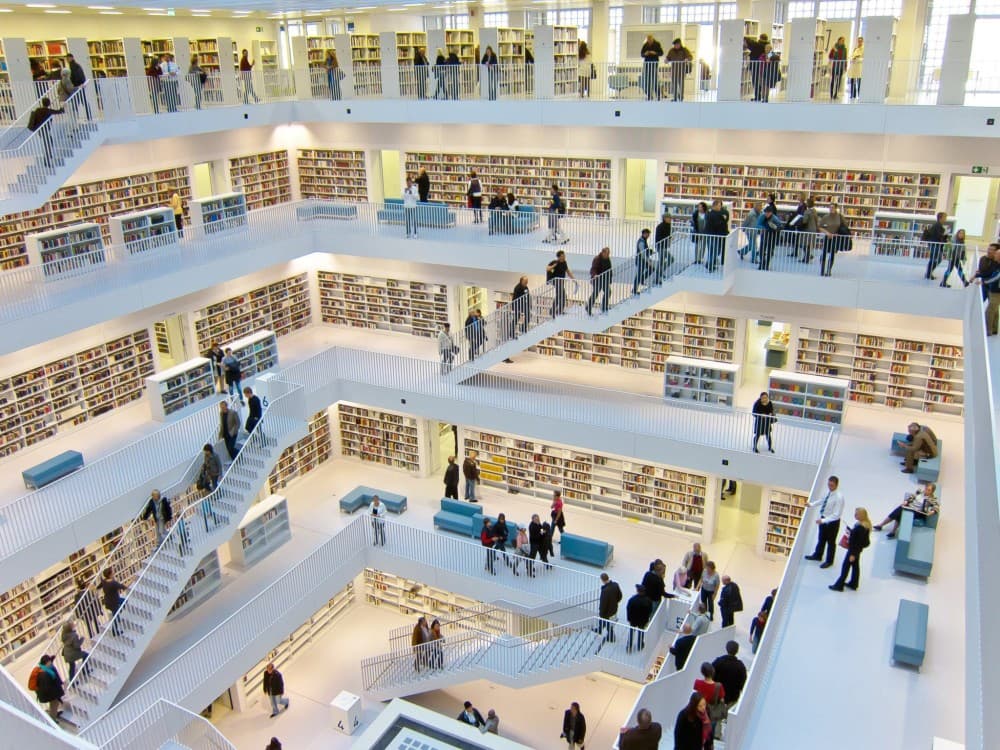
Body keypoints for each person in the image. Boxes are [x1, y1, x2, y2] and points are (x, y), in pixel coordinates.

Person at [805, 475, 844, 568]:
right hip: (824, 519)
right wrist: (811, 504)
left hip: (832, 523)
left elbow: (836, 514)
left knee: (831, 542)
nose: (830, 487)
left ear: (836, 485)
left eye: (832, 485)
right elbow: (822, 500)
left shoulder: (839, 497)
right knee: (821, 539)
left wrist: (823, 520)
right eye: (829, 484)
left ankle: (829, 561)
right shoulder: (828, 492)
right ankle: (818, 555)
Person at [830, 507, 872, 591]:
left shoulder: (860, 528)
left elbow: (857, 542)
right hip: (856, 550)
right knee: (855, 566)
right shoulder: (864, 525)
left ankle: (839, 585)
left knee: (845, 567)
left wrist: (853, 554)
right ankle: (854, 583)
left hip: (853, 551)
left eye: (857, 514)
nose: (855, 515)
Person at [874, 483, 939, 538]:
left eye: (929, 490)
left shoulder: (932, 499)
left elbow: (936, 506)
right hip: (910, 507)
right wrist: (906, 501)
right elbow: (911, 497)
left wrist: (932, 511)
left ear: (932, 491)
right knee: (899, 510)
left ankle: (884, 527)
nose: (926, 491)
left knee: (900, 512)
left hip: (917, 511)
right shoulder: (919, 492)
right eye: (926, 489)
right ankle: (887, 529)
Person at [26, 97, 64, 168]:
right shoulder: (48, 111)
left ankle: (48, 157)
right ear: (48, 103)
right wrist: (62, 106)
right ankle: (47, 160)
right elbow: (60, 111)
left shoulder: (37, 110)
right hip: (45, 130)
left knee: (49, 142)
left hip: (39, 130)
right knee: (48, 144)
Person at [693, 662, 726, 738]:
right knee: (709, 734)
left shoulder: (697, 683)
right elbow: (722, 700)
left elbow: (694, 696)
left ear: (702, 672)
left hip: (699, 711)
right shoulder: (719, 686)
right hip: (711, 714)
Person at [712, 641, 747, 707]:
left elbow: (710, 676)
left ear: (726, 648)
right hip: (731, 698)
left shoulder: (718, 662)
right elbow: (742, 682)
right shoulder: (740, 666)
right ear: (737, 651)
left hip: (716, 695)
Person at [33, 655, 65, 721]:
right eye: (50, 661)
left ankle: (54, 714)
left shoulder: (43, 669)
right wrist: (56, 692)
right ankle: (53, 720)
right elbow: (47, 687)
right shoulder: (45, 674)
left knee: (54, 704)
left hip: (45, 694)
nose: (51, 663)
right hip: (48, 695)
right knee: (55, 703)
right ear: (47, 662)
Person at [817, 203, 846, 277]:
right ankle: (822, 269)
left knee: (832, 254)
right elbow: (820, 227)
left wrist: (838, 233)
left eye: (832, 207)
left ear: (836, 208)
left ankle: (829, 270)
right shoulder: (826, 217)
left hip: (835, 238)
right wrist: (827, 233)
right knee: (823, 253)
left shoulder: (840, 217)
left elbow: (844, 227)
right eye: (830, 207)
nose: (831, 209)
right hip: (827, 237)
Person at [923, 212, 951, 280]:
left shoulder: (938, 225)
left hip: (935, 245)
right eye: (945, 217)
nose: (945, 219)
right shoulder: (937, 226)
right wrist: (945, 233)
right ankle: (929, 273)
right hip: (935, 245)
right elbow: (938, 236)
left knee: (934, 259)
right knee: (935, 259)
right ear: (941, 218)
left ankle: (929, 273)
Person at [626, 584, 653, 653]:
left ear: (637, 591)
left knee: (631, 632)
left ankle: (629, 646)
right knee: (641, 632)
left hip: (633, 620)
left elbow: (628, 609)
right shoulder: (648, 600)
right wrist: (647, 619)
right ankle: (640, 645)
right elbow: (650, 610)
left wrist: (629, 618)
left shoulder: (632, 600)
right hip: (643, 620)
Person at [100, 567, 126, 637]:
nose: (114, 572)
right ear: (110, 574)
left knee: (124, 601)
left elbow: (98, 587)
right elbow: (124, 587)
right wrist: (133, 579)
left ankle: (118, 613)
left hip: (108, 601)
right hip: (114, 602)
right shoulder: (113, 583)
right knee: (115, 617)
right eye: (113, 571)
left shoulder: (104, 581)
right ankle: (114, 631)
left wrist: (93, 587)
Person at [705, 199, 729, 273]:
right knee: (714, 251)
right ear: (714, 206)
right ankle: (710, 266)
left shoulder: (710, 213)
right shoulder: (715, 214)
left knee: (712, 251)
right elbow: (718, 225)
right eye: (719, 206)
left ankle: (709, 263)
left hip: (711, 235)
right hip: (714, 235)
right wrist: (723, 220)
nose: (720, 207)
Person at [546, 250, 573, 316]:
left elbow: (567, 270)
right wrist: (554, 266)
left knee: (562, 296)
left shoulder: (564, 262)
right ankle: (553, 311)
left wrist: (573, 278)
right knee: (561, 295)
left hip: (561, 282)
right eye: (562, 256)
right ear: (559, 257)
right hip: (555, 281)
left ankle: (558, 310)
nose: (564, 257)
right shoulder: (555, 262)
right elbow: (547, 268)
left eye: (564, 256)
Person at [756, 205, 783, 271]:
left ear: (771, 213)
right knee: (761, 250)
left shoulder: (774, 218)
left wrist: (775, 227)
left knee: (770, 251)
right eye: (766, 212)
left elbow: (780, 225)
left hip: (772, 235)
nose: (766, 214)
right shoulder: (762, 216)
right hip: (764, 234)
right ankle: (762, 263)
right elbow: (757, 224)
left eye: (768, 212)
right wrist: (763, 228)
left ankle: (766, 265)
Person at [749, 589, 776, 654]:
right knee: (754, 650)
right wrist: (750, 635)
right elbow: (752, 627)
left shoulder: (767, 622)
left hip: (768, 621)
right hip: (758, 634)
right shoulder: (756, 620)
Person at [598, 572, 622, 642]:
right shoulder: (615, 585)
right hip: (614, 608)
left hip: (606, 611)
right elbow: (620, 596)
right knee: (606, 622)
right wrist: (615, 602)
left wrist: (601, 613)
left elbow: (603, 604)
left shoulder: (605, 591)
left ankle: (611, 637)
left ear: (602, 580)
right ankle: (599, 629)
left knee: (607, 623)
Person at [640, 35, 664, 100]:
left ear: (652, 39)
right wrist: (645, 54)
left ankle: (658, 95)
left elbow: (661, 53)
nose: (649, 41)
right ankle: (649, 95)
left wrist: (655, 53)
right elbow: (641, 54)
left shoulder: (657, 44)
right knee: (646, 81)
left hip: (654, 64)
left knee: (655, 80)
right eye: (648, 40)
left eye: (650, 40)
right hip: (647, 64)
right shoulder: (645, 45)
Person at [632, 229, 653, 295]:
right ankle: (634, 290)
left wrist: (650, 252)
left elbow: (645, 251)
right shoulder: (641, 241)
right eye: (648, 234)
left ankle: (641, 280)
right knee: (638, 275)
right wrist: (648, 261)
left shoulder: (644, 240)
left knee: (651, 269)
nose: (649, 236)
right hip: (640, 260)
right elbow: (643, 253)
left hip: (643, 260)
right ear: (644, 234)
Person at [654, 213, 673, 282]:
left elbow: (668, 235)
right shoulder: (660, 226)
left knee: (665, 261)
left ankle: (659, 273)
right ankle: (657, 276)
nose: (671, 219)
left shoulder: (668, 225)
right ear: (665, 218)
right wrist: (669, 238)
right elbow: (659, 238)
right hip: (660, 246)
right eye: (669, 218)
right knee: (665, 261)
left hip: (664, 246)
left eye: (671, 218)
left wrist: (669, 239)